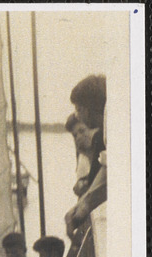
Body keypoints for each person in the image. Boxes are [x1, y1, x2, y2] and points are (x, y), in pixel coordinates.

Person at [64, 75, 106, 239]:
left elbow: (109, 169)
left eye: (78, 109)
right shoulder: (104, 132)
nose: (78, 115)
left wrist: (83, 206)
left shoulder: (105, 134)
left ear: (88, 108)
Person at [65, 113, 101, 198]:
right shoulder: (82, 158)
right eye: (75, 135)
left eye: (82, 131)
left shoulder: (104, 154)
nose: (78, 137)